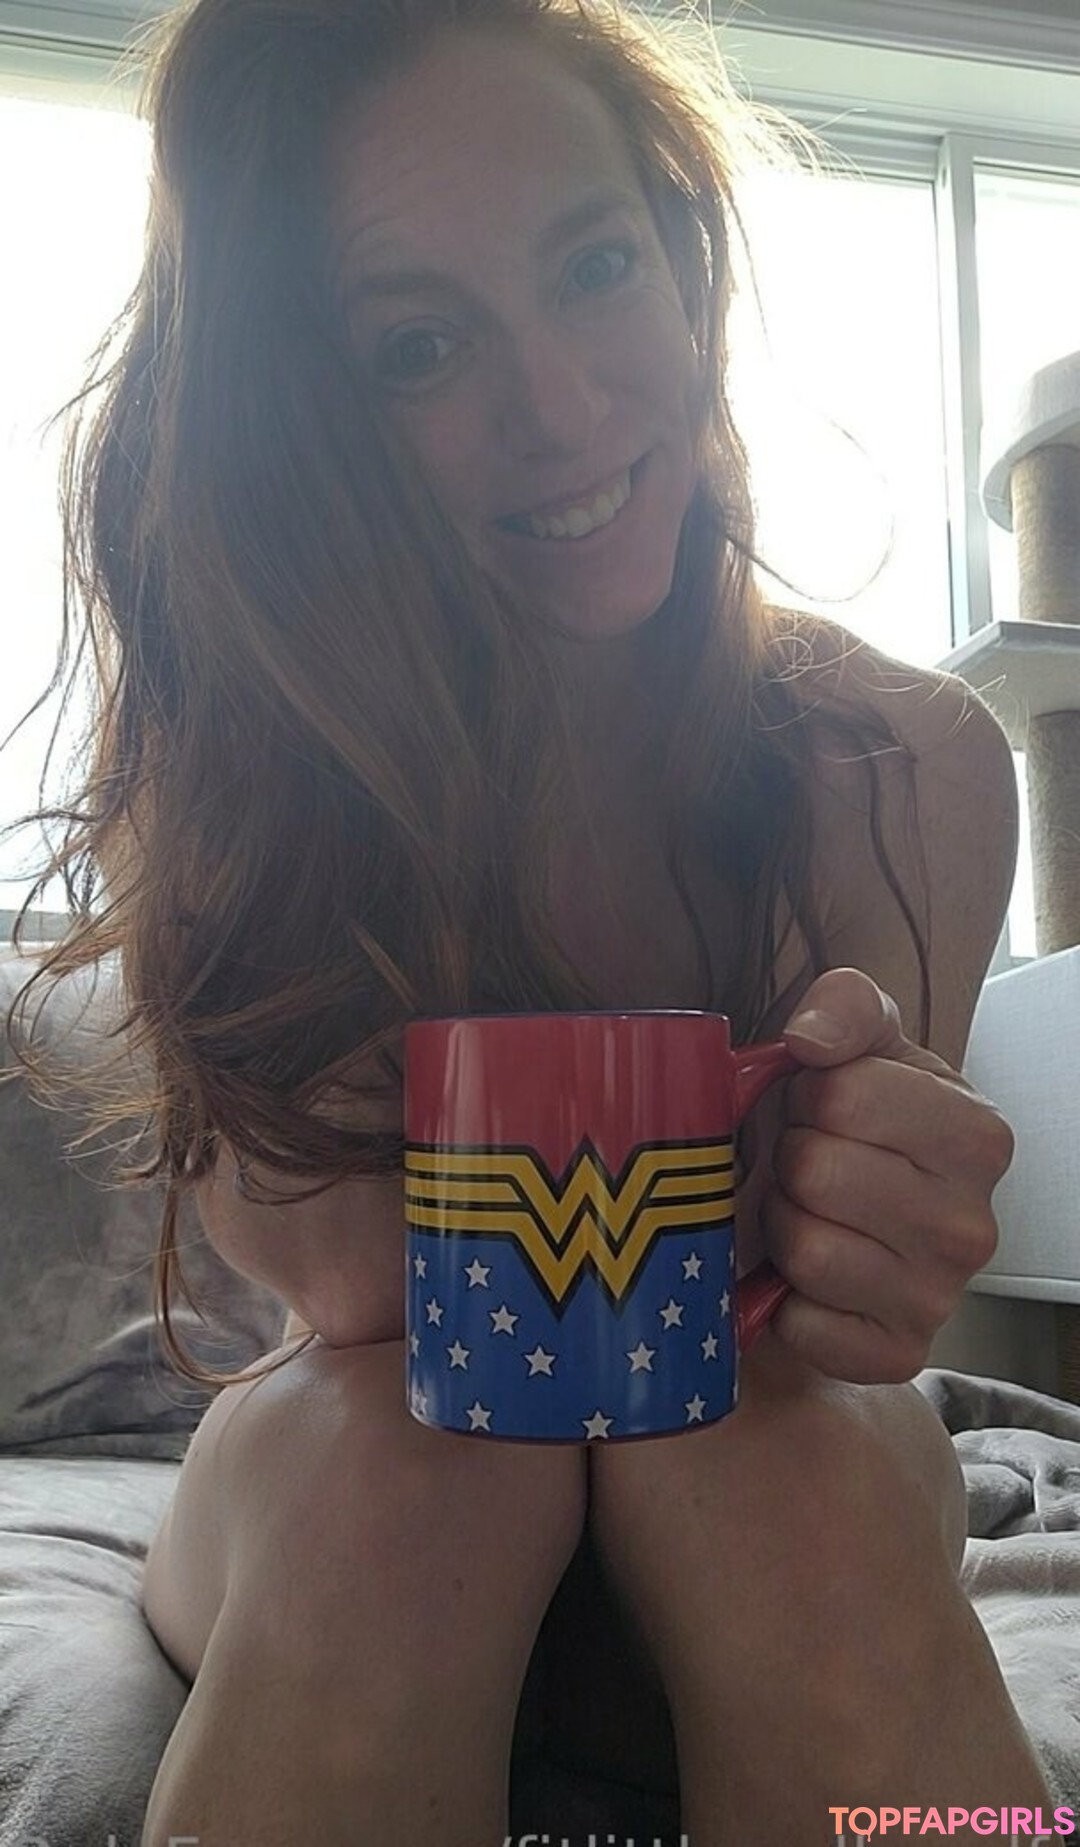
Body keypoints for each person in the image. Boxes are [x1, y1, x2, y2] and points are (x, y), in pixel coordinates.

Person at [12, 0, 1054, 1840]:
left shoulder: (904, 765)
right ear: (306, 418)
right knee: (413, 1469)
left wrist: (881, 1216)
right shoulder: (247, 759)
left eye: (594, 266)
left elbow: (815, 1334)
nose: (562, 410)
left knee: (793, 1476)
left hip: (761, 1448)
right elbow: (356, 1302)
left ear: (683, 256)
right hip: (361, 1451)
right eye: (418, 346)